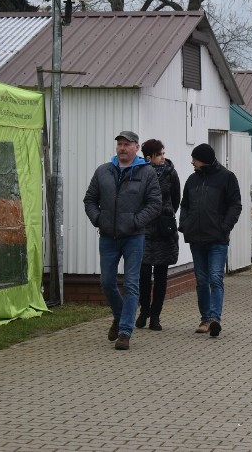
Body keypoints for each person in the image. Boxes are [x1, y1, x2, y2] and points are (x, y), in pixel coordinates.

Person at [83, 131, 162, 351]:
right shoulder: (103, 171)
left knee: (131, 283)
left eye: (127, 144)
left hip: (134, 237)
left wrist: (137, 221)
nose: (122, 148)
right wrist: (99, 219)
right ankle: (119, 317)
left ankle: (125, 332)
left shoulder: (146, 173)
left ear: (137, 148)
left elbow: (155, 203)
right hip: (108, 236)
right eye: (119, 144)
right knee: (106, 282)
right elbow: (90, 200)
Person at [179, 143, 242, 338]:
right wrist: (185, 225)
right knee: (202, 280)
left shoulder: (227, 177)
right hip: (196, 238)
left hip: (217, 238)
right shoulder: (192, 180)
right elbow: (185, 206)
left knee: (215, 277)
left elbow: (235, 205)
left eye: (195, 159)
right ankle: (205, 319)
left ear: (204, 159)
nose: (192, 162)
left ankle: (215, 318)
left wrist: (224, 227)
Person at [136, 139, 181, 332]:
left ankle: (156, 316)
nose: (163, 157)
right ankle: (144, 310)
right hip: (145, 229)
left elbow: (176, 198)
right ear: (149, 157)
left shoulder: (171, 173)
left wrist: (167, 215)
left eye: (163, 153)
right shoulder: (139, 172)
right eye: (159, 154)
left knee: (161, 274)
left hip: (164, 230)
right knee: (144, 273)